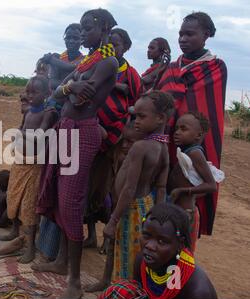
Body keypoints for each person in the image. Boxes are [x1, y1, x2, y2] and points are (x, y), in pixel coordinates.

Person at [32, 8, 119, 299]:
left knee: (71, 202)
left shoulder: (108, 62)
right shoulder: (90, 61)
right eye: (80, 28)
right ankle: (61, 263)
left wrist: (68, 88)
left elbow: (83, 97)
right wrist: (70, 86)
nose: (82, 33)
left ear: (104, 27)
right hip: (66, 127)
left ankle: (75, 281)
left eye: (87, 27)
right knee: (58, 193)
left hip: (81, 133)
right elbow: (58, 92)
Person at [157, 12, 227, 236]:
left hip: (192, 144)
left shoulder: (215, 67)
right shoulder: (173, 67)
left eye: (190, 34)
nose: (183, 39)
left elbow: (207, 109)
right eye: (180, 34)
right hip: (166, 138)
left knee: (184, 208)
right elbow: (160, 98)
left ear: (206, 35)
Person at [102, 91, 174, 284]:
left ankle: (123, 291)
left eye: (142, 117)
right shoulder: (163, 148)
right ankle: (106, 283)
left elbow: (129, 189)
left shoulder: (141, 147)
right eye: (136, 116)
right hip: (145, 206)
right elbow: (161, 187)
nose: (136, 121)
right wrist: (158, 217)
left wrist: (113, 220)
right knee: (126, 251)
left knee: (126, 256)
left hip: (129, 208)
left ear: (160, 119)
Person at [84, 27, 143, 249]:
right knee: (92, 186)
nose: (111, 48)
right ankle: (90, 234)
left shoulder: (131, 74)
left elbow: (138, 105)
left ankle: (110, 239)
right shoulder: (98, 66)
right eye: (108, 44)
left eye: (117, 44)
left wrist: (125, 131)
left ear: (126, 47)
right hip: (93, 134)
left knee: (114, 187)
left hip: (118, 139)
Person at [99, 203, 218, 299]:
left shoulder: (196, 290)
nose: (150, 246)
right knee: (122, 290)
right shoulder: (142, 262)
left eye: (162, 241)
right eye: (146, 235)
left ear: (180, 244)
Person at [1, 76, 58, 264]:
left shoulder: (49, 113)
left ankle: (31, 247)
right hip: (19, 161)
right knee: (14, 196)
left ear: (47, 94)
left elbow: (40, 137)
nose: (30, 96)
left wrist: (19, 134)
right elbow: (21, 128)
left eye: (35, 92)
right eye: (28, 92)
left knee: (29, 205)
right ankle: (14, 231)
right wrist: (17, 137)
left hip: (34, 164)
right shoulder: (28, 112)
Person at [86, 121, 145, 293]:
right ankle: (106, 280)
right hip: (116, 205)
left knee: (131, 251)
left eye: (130, 142)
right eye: (124, 141)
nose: (126, 145)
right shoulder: (119, 156)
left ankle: (129, 287)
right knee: (112, 246)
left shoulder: (139, 158)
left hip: (131, 209)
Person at [168, 112, 224, 252]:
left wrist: (183, 191)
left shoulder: (194, 153)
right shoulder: (186, 152)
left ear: (198, 135)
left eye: (183, 129)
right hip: (179, 210)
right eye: (176, 129)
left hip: (185, 213)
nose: (177, 132)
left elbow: (211, 185)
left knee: (180, 253)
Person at [39, 23, 84, 91]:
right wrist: (73, 86)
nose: (71, 41)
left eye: (76, 38)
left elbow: (70, 67)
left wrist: (51, 59)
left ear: (82, 40)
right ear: (64, 39)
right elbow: (52, 83)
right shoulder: (57, 57)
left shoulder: (84, 59)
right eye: (68, 37)